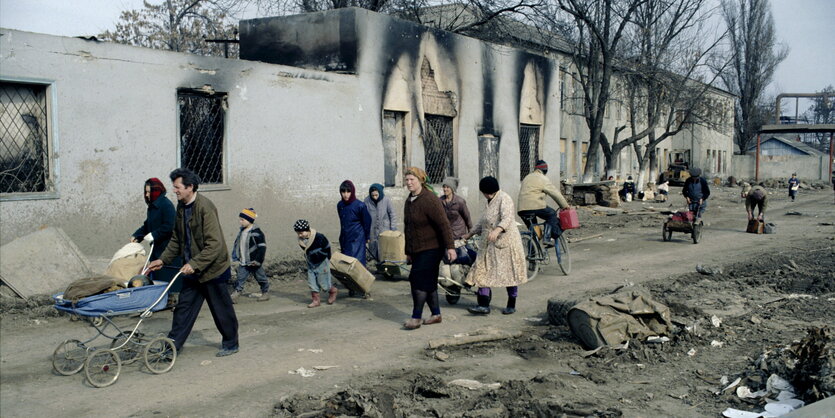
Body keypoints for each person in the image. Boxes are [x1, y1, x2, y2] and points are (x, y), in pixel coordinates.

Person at [147, 168, 239, 357]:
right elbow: (176, 239)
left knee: (221, 310)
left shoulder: (205, 207)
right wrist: (162, 260)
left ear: (190, 187)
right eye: (174, 187)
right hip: (192, 270)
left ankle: (231, 343)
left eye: (177, 187)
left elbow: (214, 244)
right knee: (183, 310)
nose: (175, 191)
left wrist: (194, 264)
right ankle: (171, 347)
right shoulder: (181, 207)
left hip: (213, 269)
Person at [462, 176, 528, 315]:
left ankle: (511, 304)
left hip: (506, 243)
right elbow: (483, 221)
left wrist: (498, 230)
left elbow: (507, 218)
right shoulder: (489, 201)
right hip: (488, 245)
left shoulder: (505, 198)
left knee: (509, 274)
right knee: (482, 271)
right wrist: (470, 234)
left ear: (486, 191)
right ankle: (483, 305)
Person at [402, 167, 456, 330]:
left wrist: (450, 247)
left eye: (412, 179)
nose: (409, 183)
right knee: (429, 281)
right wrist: (408, 252)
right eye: (407, 180)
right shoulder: (409, 201)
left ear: (421, 180)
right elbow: (408, 228)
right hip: (417, 249)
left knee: (416, 279)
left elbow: (444, 224)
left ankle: (416, 317)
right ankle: (436, 314)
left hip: (433, 248)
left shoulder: (430, 199)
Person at [131, 177, 181, 306]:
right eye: (146, 192)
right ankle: (162, 299)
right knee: (158, 273)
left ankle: (173, 299)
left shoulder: (166, 205)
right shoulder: (152, 207)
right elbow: (148, 225)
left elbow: (170, 225)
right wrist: (138, 235)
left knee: (168, 274)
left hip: (167, 246)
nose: (147, 195)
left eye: (149, 192)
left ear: (156, 191)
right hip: (157, 247)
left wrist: (154, 234)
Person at [517, 160, 571, 245]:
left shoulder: (527, 177)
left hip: (521, 209)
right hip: (535, 206)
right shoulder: (543, 178)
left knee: (534, 230)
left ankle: (533, 255)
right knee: (551, 214)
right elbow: (555, 193)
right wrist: (564, 206)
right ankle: (547, 237)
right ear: (545, 170)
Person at [293, 219, 336, 307]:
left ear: (308, 230)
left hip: (322, 262)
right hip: (311, 263)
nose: (300, 235)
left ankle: (332, 290)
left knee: (323, 282)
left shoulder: (319, 237)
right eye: (298, 233)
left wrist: (324, 257)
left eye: (301, 233)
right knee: (311, 281)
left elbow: (327, 248)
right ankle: (316, 300)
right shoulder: (301, 240)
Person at [230, 208, 269, 302]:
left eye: (242, 220)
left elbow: (262, 248)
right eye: (240, 219)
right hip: (243, 261)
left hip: (254, 262)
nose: (240, 222)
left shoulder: (257, 233)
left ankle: (265, 292)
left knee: (261, 277)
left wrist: (258, 260)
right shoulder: (242, 232)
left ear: (250, 220)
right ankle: (236, 293)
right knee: (240, 278)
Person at [337, 180, 372, 266]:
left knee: (357, 263)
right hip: (345, 237)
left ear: (352, 192)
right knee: (346, 262)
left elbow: (367, 221)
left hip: (357, 238)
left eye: (348, 191)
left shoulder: (360, 205)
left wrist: (367, 236)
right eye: (343, 192)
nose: (346, 194)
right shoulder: (340, 205)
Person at [364, 183, 397, 262]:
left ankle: (384, 265)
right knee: (373, 247)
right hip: (372, 228)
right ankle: (375, 263)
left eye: (376, 195)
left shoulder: (386, 200)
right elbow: (364, 216)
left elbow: (392, 214)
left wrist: (393, 228)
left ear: (380, 193)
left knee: (384, 247)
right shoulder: (367, 201)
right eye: (373, 195)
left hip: (384, 228)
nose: (375, 197)